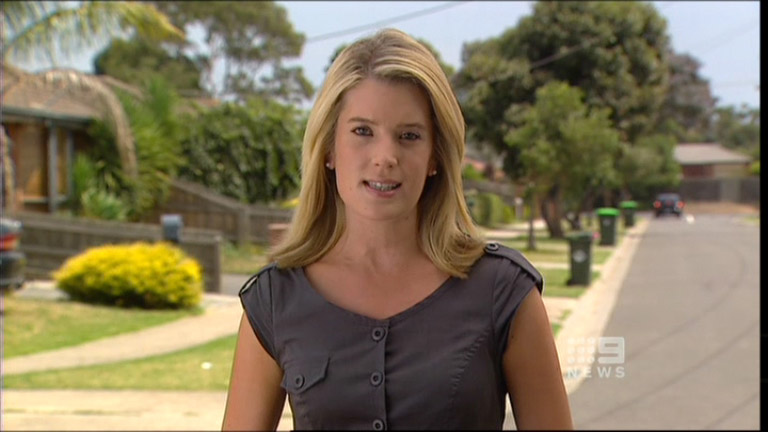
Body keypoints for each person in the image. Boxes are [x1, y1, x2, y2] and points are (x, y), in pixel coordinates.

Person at [222, 28, 573, 431]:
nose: (386, 157)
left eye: (409, 136)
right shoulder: (275, 299)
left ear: (434, 156)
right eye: (363, 131)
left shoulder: (504, 291)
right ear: (329, 148)